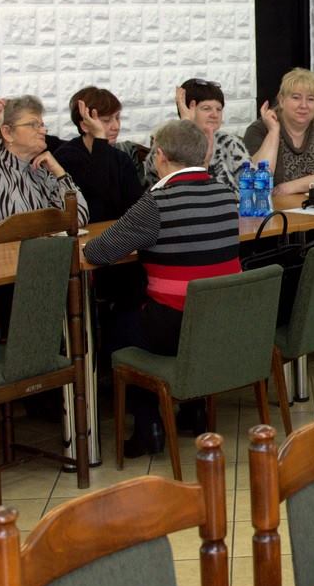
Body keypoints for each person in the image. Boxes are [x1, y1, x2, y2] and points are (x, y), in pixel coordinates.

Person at [83, 119, 241, 458]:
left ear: (160, 157)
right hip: (223, 321)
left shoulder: (156, 202)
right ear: (203, 154)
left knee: (118, 327)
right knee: (188, 303)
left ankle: (148, 426)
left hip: (174, 326)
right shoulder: (227, 195)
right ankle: (194, 411)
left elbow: (98, 252)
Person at [0, 88, 90, 226]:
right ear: (7, 133)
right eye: (33, 125)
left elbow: (78, 220)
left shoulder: (40, 172)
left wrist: (60, 173)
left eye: (42, 125)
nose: (43, 130)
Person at [242, 67, 314, 196]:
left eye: (311, 99)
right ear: (281, 100)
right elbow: (256, 181)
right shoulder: (259, 130)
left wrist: (292, 187)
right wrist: (273, 132)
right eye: (296, 98)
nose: (303, 105)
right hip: (274, 207)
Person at [52, 86, 144, 223]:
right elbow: (96, 202)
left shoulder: (121, 158)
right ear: (85, 125)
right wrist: (100, 138)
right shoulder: (67, 156)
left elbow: (137, 208)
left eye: (117, 118)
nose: (116, 126)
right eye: (106, 120)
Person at [142, 78, 249, 192]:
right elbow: (168, 190)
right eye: (206, 108)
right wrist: (187, 124)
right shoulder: (166, 143)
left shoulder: (230, 142)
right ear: (187, 109)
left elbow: (252, 185)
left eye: (219, 109)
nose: (215, 115)